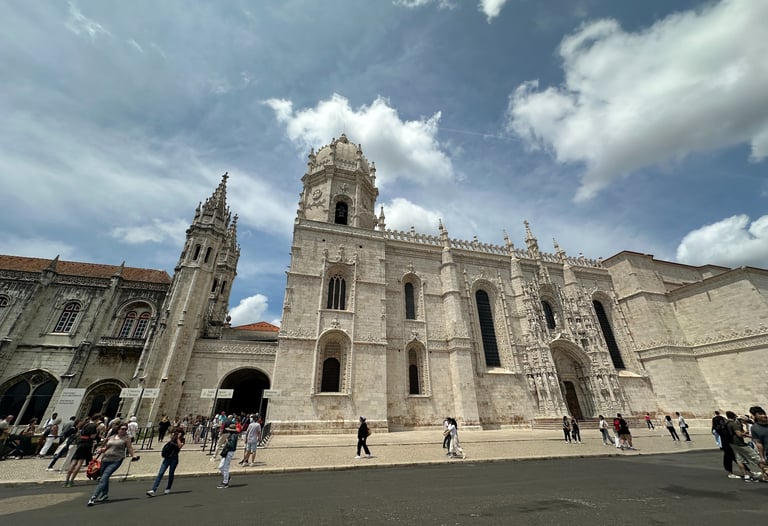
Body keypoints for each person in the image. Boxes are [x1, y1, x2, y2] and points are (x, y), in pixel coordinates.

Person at [88, 423, 138, 506]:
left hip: (116, 459)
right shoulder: (111, 437)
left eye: (126, 429)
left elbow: (129, 448)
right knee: (104, 477)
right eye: (122, 429)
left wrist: (133, 456)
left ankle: (93, 497)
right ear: (118, 429)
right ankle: (104, 494)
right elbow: (107, 447)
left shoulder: (126, 438)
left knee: (104, 477)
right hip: (105, 459)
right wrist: (101, 450)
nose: (124, 430)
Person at [725, 410, 766, 482]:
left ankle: (746, 475)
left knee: (739, 459)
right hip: (739, 443)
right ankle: (766, 474)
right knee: (756, 458)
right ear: (734, 416)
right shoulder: (733, 424)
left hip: (732, 443)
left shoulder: (726, 423)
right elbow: (739, 434)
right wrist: (746, 434)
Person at [65, 413, 101, 488]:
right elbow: (92, 436)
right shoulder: (93, 426)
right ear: (97, 419)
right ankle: (71, 481)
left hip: (80, 443)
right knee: (80, 462)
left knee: (74, 461)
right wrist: (97, 433)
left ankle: (66, 481)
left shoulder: (85, 424)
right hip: (87, 444)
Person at [146, 427, 185, 497]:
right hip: (167, 458)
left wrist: (178, 438)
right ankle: (153, 490)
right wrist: (174, 436)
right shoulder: (173, 437)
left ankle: (168, 487)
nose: (177, 433)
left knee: (171, 473)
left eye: (179, 432)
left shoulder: (182, 439)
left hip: (174, 458)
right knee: (160, 473)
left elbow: (180, 446)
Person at [217, 423, 239, 488]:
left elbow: (231, 444)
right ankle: (227, 477)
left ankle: (225, 482)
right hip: (227, 451)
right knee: (221, 467)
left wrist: (227, 441)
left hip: (229, 452)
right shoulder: (232, 435)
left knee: (225, 467)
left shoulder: (233, 436)